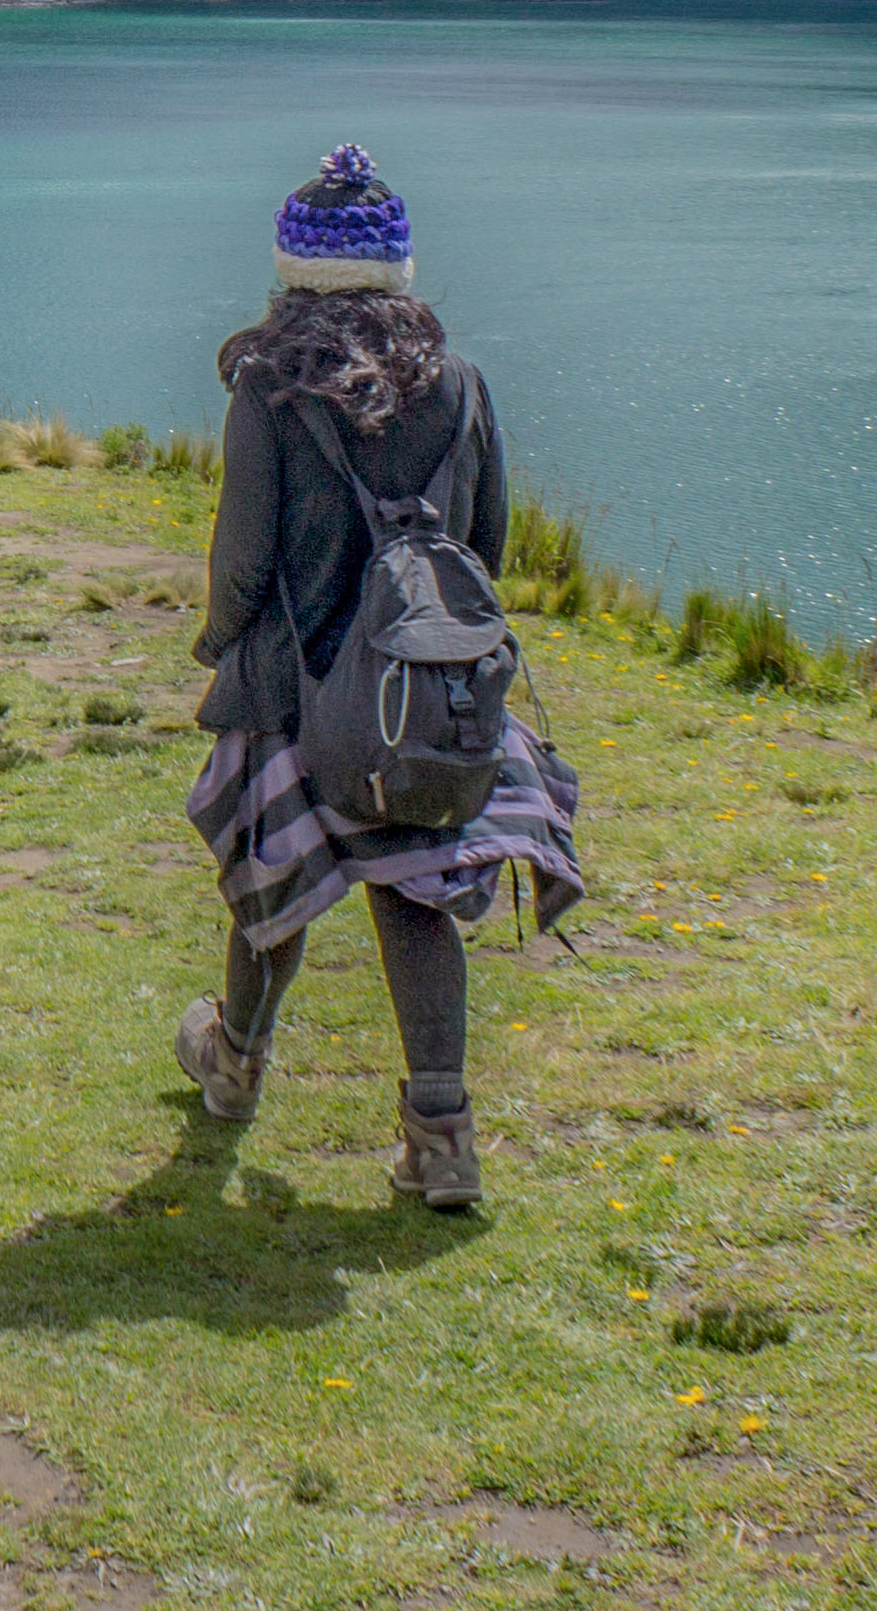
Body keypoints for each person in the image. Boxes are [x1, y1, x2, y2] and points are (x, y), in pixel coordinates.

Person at [176, 146, 586, 1209]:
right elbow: (486, 546)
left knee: (272, 881)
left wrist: (218, 642)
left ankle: (235, 1066)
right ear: (400, 270)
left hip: (297, 683)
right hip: (421, 695)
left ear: (291, 270)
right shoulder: (459, 383)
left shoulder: (268, 385)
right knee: (417, 897)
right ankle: (440, 1137)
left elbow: (245, 557)